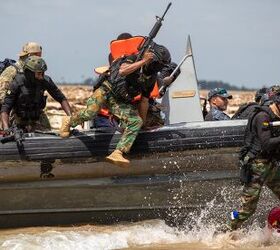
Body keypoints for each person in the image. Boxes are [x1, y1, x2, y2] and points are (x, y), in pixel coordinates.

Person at [59, 43, 171, 166]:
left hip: (120, 100)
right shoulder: (133, 59)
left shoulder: (151, 78)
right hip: (106, 90)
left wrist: (142, 124)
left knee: (136, 122)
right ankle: (69, 121)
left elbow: (144, 101)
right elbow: (123, 71)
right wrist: (143, 61)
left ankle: (118, 152)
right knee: (91, 112)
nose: (157, 68)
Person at [1, 56, 71, 178]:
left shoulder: (46, 81)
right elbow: (5, 109)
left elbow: (61, 98)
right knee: (14, 142)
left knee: (49, 145)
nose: (41, 76)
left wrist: (71, 117)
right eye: (39, 73)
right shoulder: (17, 83)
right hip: (18, 118)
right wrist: (6, 128)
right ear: (29, 73)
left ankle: (46, 171)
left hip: (37, 118)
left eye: (43, 73)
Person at [228, 85, 280, 230]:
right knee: (247, 210)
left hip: (271, 166)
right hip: (256, 166)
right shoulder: (262, 116)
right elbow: (267, 144)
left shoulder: (276, 116)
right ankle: (226, 228)